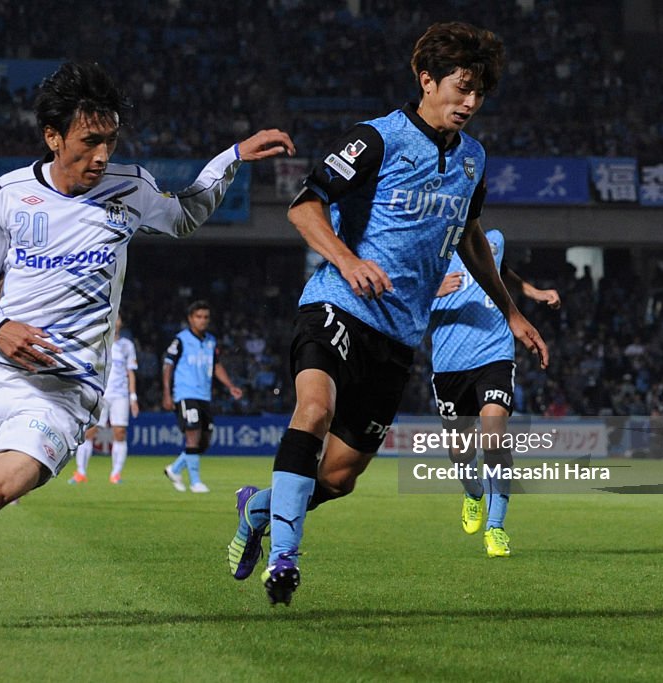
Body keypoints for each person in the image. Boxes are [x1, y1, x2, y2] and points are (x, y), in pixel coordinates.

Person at [0, 60, 294, 632]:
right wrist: (0, 328)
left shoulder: (130, 189)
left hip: (63, 395)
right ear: (53, 136)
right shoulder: (9, 195)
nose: (101, 156)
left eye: (110, 141)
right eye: (90, 141)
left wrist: (232, 157)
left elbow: (186, 213)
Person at [227, 22, 547, 606]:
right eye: (462, 87)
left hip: (398, 335)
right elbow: (305, 208)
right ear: (427, 80)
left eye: (480, 93)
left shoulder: (473, 159)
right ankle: (284, 559)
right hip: (337, 305)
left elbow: (469, 235)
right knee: (314, 409)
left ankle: (260, 508)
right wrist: (347, 261)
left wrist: (512, 311)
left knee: (340, 477)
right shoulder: (377, 139)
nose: (471, 102)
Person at [430, 229, 561, 558]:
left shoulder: (493, 239)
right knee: (460, 452)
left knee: (493, 436)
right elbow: (398, 291)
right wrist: (432, 290)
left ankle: (496, 527)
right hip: (448, 362)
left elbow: (498, 271)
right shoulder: (429, 243)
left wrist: (532, 292)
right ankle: (474, 493)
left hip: (494, 353)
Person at [162, 300, 243, 493]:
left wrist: (230, 385)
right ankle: (196, 482)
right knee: (193, 435)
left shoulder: (211, 341)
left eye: (206, 317)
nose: (203, 320)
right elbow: (168, 366)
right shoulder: (180, 340)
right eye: (198, 317)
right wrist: (166, 393)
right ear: (190, 319)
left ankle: (174, 469)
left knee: (204, 440)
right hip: (185, 393)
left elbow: (216, 366)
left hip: (204, 396)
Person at [68, 312, 139, 484]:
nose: (117, 320)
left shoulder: (127, 345)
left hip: (120, 395)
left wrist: (133, 397)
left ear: (121, 322)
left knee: (120, 433)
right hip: (100, 392)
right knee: (90, 432)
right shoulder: (98, 341)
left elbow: (131, 372)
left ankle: (115, 474)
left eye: (120, 318)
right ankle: (80, 472)